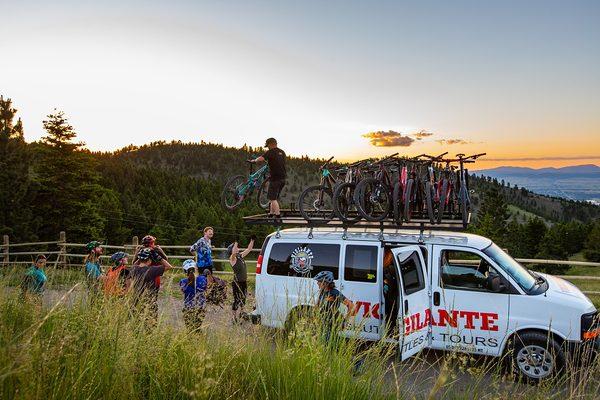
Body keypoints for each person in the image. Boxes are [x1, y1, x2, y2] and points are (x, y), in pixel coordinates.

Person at [130, 248, 174, 325]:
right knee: (151, 324)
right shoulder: (152, 270)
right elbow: (169, 266)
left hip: (136, 300)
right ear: (149, 260)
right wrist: (158, 257)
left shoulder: (134, 268)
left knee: (137, 323)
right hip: (149, 301)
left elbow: (134, 264)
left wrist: (140, 256)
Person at [250, 138, 286, 222]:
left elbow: (261, 159)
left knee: (273, 199)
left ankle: (277, 216)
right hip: (283, 179)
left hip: (275, 179)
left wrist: (254, 160)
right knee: (273, 197)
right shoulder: (282, 152)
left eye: (268, 146)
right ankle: (271, 213)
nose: (267, 148)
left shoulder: (271, 152)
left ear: (270, 144)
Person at [313, 271, 353, 343]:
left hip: (333, 322)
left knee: (327, 343)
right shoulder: (322, 291)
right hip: (323, 321)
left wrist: (346, 320)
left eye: (319, 281)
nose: (317, 283)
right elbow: (317, 305)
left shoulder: (334, 293)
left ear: (325, 283)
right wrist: (315, 315)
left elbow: (350, 305)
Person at [227, 237, 255, 323]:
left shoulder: (240, 256)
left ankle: (242, 313)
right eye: (235, 247)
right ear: (232, 249)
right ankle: (233, 317)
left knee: (243, 298)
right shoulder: (233, 258)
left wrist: (252, 240)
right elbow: (234, 252)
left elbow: (249, 249)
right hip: (237, 282)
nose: (237, 248)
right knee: (237, 300)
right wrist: (236, 242)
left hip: (243, 281)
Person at [179, 259, 207, 332]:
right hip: (200, 306)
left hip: (188, 307)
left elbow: (183, 290)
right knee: (197, 327)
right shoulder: (203, 279)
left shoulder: (183, 281)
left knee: (190, 328)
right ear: (196, 269)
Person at [382, 249, 399, 336]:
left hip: (391, 297)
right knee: (389, 315)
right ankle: (390, 332)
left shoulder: (391, 269)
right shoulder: (386, 269)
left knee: (391, 315)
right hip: (389, 298)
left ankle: (390, 331)